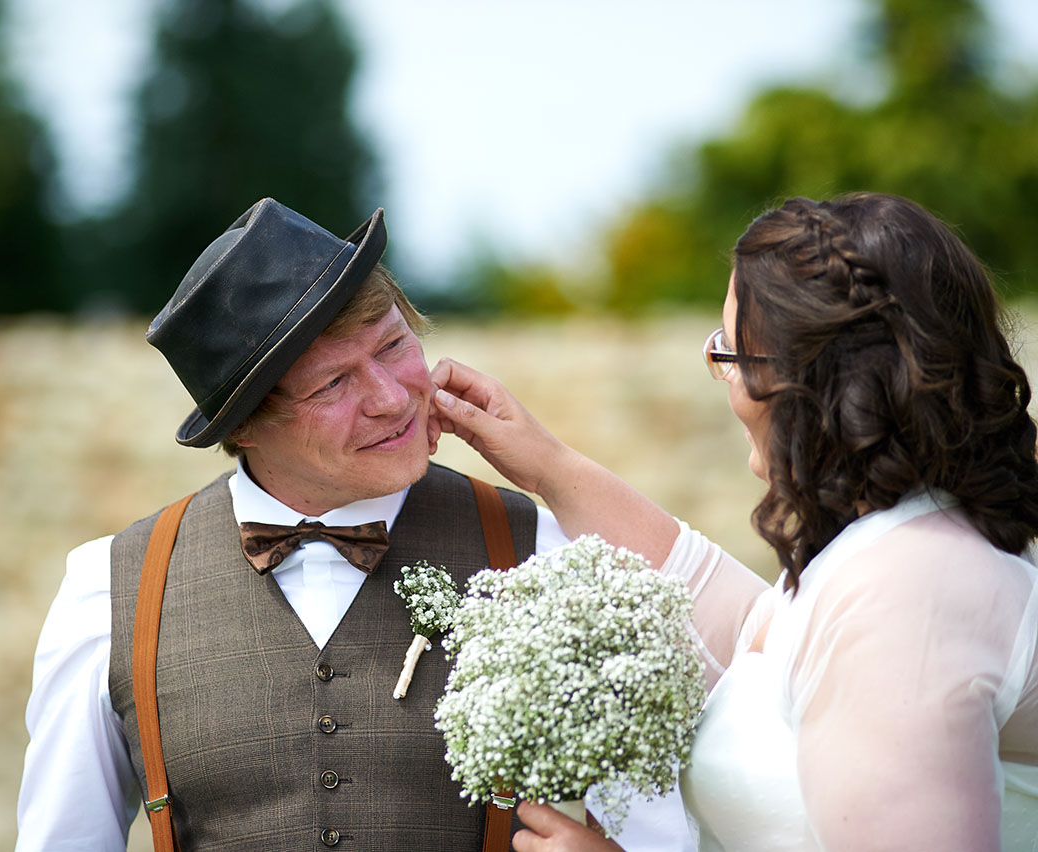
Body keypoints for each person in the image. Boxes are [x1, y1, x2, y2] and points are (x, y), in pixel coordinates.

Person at [14, 198, 699, 851]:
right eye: (334, 384)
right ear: (248, 425)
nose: (391, 397)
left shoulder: (543, 555)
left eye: (394, 345)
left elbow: (654, 830)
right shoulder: (110, 592)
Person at [429, 192, 1038, 851]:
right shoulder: (895, 549)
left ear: (798, 380)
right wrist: (547, 466)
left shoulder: (908, 594)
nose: (726, 382)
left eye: (729, 353)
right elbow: (738, 632)